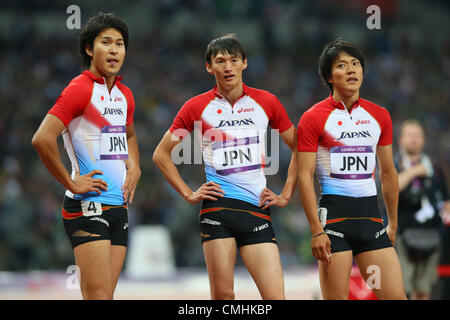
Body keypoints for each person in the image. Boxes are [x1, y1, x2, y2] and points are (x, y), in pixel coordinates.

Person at [153, 34, 297, 300]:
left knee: (276, 297)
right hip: (217, 211)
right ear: (209, 67)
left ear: (244, 63)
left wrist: (286, 192)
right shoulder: (195, 107)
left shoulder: (266, 102)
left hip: (257, 210)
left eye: (233, 60)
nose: (228, 66)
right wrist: (188, 193)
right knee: (223, 297)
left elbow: (301, 146)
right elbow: (161, 155)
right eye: (220, 61)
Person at [31, 12, 141, 300]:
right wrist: (72, 183)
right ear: (90, 49)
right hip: (87, 206)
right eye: (106, 42)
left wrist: (136, 166)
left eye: (120, 43)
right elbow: (41, 139)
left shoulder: (125, 94)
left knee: (103, 297)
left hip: (119, 207)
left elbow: (128, 135)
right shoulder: (79, 89)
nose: (115, 49)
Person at [297, 38, 406, 299]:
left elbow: (388, 172)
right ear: (329, 76)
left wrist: (393, 223)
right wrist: (316, 230)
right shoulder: (313, 117)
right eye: (342, 65)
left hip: (371, 219)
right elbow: (304, 175)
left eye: (356, 64)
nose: (351, 70)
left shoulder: (379, 115)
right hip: (334, 222)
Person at [394, 119, 449, 299]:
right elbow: (392, 187)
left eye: (417, 136)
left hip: (431, 234)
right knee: (403, 288)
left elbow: (446, 199)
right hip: (403, 235)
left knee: (424, 289)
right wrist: (415, 171)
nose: (414, 139)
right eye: (410, 135)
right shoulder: (394, 165)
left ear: (424, 140)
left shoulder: (435, 169)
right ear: (401, 140)